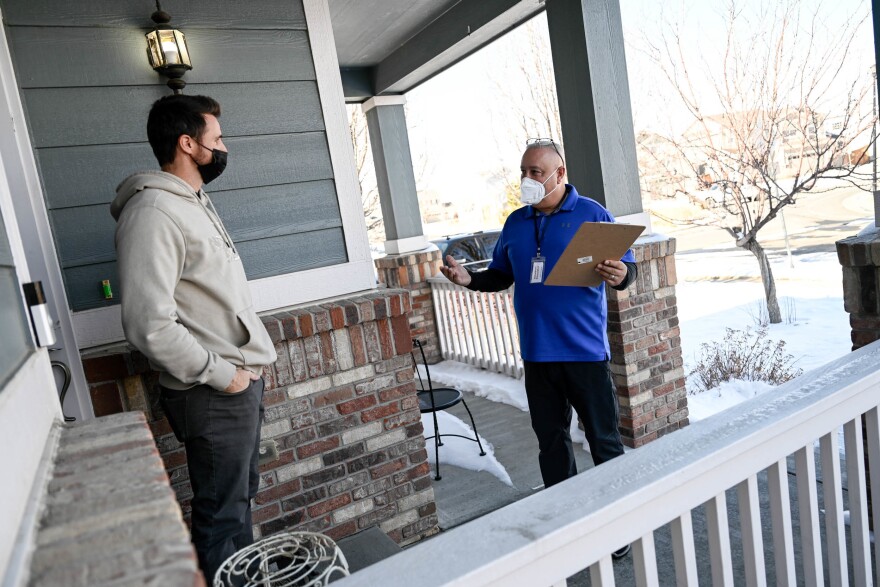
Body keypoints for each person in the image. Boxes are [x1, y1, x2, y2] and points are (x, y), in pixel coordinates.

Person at [439, 139, 637, 557]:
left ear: (560, 174)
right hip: (536, 354)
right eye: (524, 171)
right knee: (551, 443)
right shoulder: (515, 222)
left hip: (584, 354)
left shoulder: (592, 215)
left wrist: (622, 274)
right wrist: (468, 280)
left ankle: (618, 527)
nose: (528, 179)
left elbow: (626, 268)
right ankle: (565, 523)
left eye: (537, 172)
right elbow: (500, 275)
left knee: (603, 441)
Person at [111, 94, 277, 580]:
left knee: (237, 502)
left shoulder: (193, 203)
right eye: (216, 139)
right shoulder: (154, 212)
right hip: (212, 393)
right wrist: (225, 377)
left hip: (236, 384)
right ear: (188, 143)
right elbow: (148, 323)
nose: (224, 147)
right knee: (221, 518)